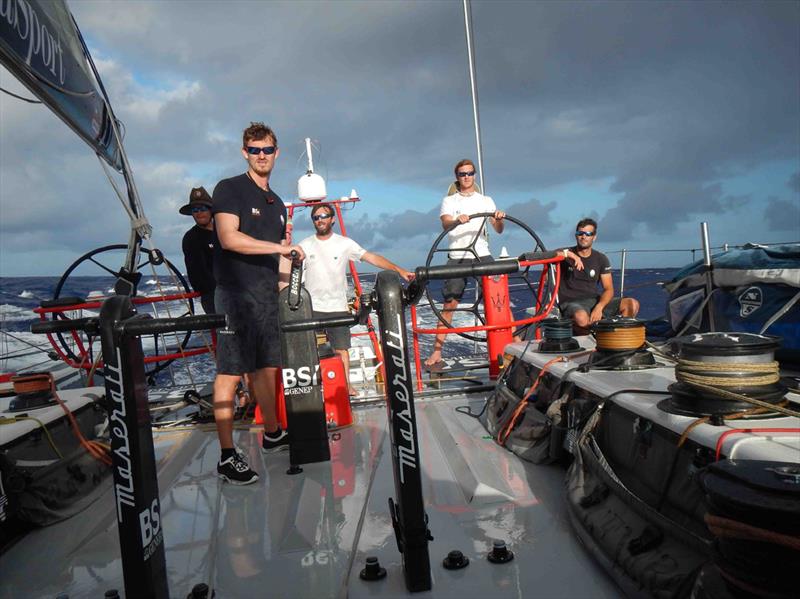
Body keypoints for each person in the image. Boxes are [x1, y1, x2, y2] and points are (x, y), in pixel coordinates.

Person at [211, 122, 305, 485]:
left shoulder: (277, 203)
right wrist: (282, 248)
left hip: (267, 296)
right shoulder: (230, 189)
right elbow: (229, 238)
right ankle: (225, 455)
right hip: (236, 294)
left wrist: (288, 288)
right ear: (244, 152)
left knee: (268, 367)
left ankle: (273, 432)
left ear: (276, 153)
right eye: (254, 150)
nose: (261, 156)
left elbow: (280, 258)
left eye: (267, 150)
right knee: (231, 372)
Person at [299, 203, 413, 396]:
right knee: (306, 349)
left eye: (324, 216)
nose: (320, 220)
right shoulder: (304, 245)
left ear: (332, 219)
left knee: (341, 349)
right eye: (316, 217)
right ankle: (312, 389)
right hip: (310, 306)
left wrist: (399, 270)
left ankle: (345, 386)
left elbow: (372, 258)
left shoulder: (344, 243)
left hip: (336, 306)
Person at [424, 159, 506, 367]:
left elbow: (498, 229)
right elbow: (445, 223)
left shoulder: (486, 200)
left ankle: (512, 342)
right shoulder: (449, 201)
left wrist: (499, 218)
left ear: (475, 175)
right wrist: (455, 221)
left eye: (470, 173)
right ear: (457, 177)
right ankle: (437, 352)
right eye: (462, 174)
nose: (466, 177)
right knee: (450, 304)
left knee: (498, 300)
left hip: (481, 254)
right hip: (457, 255)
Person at [558, 218, 639, 329]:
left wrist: (599, 307)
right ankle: (593, 337)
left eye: (588, 234)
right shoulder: (565, 254)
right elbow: (547, 254)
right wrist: (571, 255)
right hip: (571, 303)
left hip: (594, 300)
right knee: (581, 318)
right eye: (580, 233)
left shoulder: (601, 259)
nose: (583, 237)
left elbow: (608, 289)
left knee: (631, 304)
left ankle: (620, 339)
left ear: (594, 237)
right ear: (576, 235)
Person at [180, 186, 216, 315]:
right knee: (224, 333)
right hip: (213, 297)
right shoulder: (191, 238)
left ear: (211, 210)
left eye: (203, 208)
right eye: (195, 210)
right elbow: (198, 275)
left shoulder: (225, 232)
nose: (199, 213)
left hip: (237, 292)